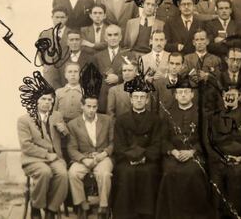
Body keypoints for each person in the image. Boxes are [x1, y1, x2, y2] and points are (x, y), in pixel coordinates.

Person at [156, 75, 214, 219]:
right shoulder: (168, 113)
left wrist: (192, 151)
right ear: (175, 96)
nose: (183, 95)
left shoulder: (202, 114)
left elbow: (206, 139)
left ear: (192, 94)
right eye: (180, 92)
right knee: (169, 173)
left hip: (195, 154)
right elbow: (163, 139)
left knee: (194, 172)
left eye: (186, 92)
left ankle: (195, 215)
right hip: (173, 155)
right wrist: (174, 151)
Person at [18, 72, 69, 219]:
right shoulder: (24, 120)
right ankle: (36, 207)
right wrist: (47, 155)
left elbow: (66, 138)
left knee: (63, 174)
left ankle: (51, 210)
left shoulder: (57, 116)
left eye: (50, 100)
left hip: (55, 158)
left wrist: (64, 131)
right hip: (33, 159)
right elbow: (26, 146)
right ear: (36, 101)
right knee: (45, 172)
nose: (47, 102)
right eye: (43, 99)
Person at [67, 64, 114, 219]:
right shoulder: (73, 124)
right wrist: (83, 159)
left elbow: (113, 143)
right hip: (83, 158)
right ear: (82, 106)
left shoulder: (107, 121)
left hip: (102, 157)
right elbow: (72, 148)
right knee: (73, 173)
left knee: (105, 173)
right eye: (88, 106)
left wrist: (103, 155)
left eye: (94, 106)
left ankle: (103, 206)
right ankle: (83, 206)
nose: (91, 110)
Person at [113, 71, 161, 219]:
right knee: (126, 172)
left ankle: (146, 213)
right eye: (136, 97)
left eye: (142, 97)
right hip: (127, 159)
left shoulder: (155, 119)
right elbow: (119, 144)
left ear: (147, 100)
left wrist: (144, 157)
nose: (139, 100)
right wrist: (131, 157)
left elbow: (157, 142)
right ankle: (126, 214)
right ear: (131, 99)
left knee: (148, 172)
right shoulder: (121, 120)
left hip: (148, 159)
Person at [205, 88, 241, 218]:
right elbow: (209, 143)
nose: (230, 98)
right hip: (218, 159)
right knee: (216, 179)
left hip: (240, 159)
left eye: (233, 95)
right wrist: (220, 157)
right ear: (223, 97)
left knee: (237, 174)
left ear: (239, 97)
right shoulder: (214, 117)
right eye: (227, 95)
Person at [93, 24, 134, 113]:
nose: (113, 38)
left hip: (121, 99)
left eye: (116, 35)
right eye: (110, 35)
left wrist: (119, 78)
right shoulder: (98, 56)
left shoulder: (129, 55)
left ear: (120, 37)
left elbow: (134, 75)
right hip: (102, 99)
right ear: (105, 37)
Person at [152, 52, 191, 117]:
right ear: (168, 64)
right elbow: (154, 109)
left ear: (182, 66)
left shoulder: (187, 84)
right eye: (171, 63)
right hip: (163, 123)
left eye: (177, 64)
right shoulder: (157, 84)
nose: (174, 67)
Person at [39, 7, 70, 89]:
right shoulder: (45, 34)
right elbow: (40, 53)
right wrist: (47, 65)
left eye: (62, 17)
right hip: (50, 70)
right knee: (50, 96)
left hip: (67, 70)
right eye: (57, 17)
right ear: (52, 17)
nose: (59, 20)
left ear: (67, 18)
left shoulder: (72, 33)